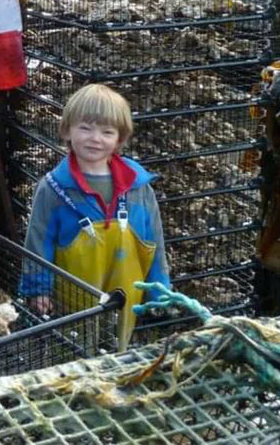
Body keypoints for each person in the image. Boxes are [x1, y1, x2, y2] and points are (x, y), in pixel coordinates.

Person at [19, 84, 170, 347]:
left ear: (120, 139)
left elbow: (154, 242)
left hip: (128, 300)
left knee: (121, 358)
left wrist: (159, 292)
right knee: (71, 359)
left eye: (107, 132)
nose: (95, 138)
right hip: (71, 305)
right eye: (85, 128)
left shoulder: (138, 187)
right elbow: (38, 240)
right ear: (67, 130)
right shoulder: (54, 188)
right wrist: (38, 288)